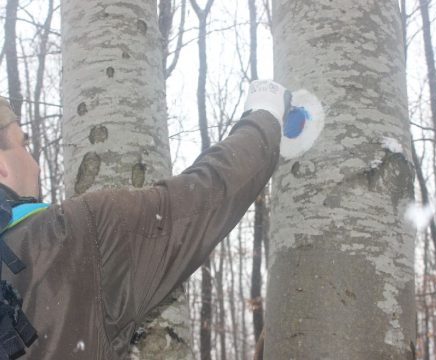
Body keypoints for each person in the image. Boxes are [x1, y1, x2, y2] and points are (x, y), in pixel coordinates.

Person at [0, 80, 289, 359]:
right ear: (2, 166)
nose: (35, 165)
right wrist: (265, 115)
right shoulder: (71, 240)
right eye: (23, 146)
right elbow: (204, 198)